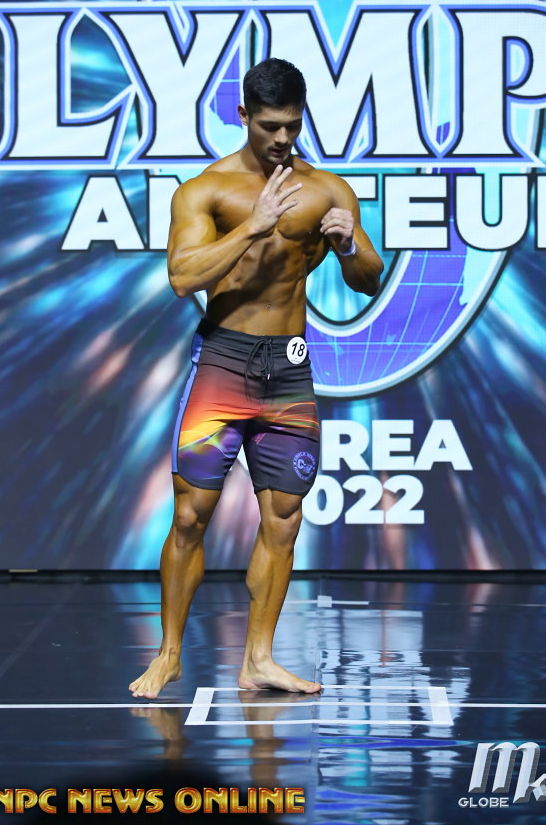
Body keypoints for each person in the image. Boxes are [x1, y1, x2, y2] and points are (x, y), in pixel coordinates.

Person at [129, 58, 384, 699]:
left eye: (292, 125)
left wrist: (349, 245)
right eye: (270, 125)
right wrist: (252, 226)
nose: (282, 138)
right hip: (223, 362)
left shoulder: (326, 190)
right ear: (243, 115)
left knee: (285, 517)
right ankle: (169, 655)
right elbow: (183, 277)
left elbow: (368, 280)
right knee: (191, 516)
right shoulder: (205, 191)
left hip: (288, 368)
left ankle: (259, 659)